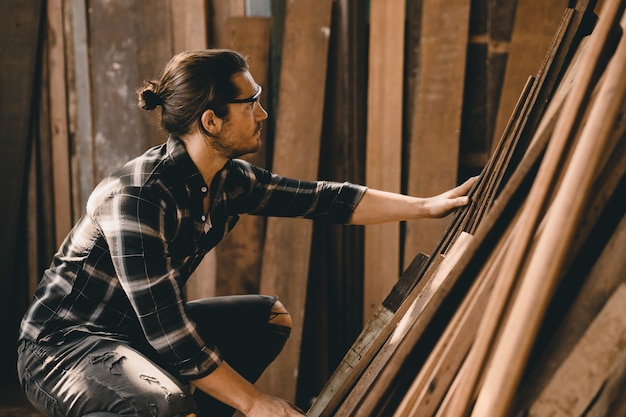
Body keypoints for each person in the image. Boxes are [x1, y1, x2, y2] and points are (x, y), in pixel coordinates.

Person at [16, 49, 477, 417]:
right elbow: (168, 330)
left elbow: (327, 199)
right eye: (250, 103)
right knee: (159, 404)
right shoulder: (137, 197)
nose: (263, 113)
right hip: (63, 350)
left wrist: (428, 206)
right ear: (211, 121)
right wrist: (256, 402)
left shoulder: (226, 180)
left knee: (267, 320)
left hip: (134, 338)